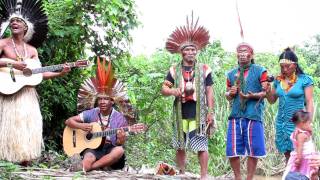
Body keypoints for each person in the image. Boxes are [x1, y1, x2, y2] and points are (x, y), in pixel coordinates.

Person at [0, 0, 70, 164]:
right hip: (7, 91)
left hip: (27, 94)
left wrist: (59, 73)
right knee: (7, 128)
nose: (14, 23)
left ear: (26, 27)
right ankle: (5, 160)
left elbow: (38, 74)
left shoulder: (32, 50)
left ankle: (24, 160)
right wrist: (12, 63)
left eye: (18, 21)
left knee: (26, 127)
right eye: (12, 21)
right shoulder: (3, 44)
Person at [161, 13, 215, 180]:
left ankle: (204, 176)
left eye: (193, 49)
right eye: (187, 50)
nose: (191, 52)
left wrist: (210, 111)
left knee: (201, 145)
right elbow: (164, 88)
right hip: (180, 111)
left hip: (198, 112)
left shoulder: (204, 68)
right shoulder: (174, 70)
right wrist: (173, 91)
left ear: (196, 51)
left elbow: (209, 91)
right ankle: (182, 172)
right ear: (182, 53)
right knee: (180, 144)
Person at [65, 58, 130, 172]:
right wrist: (81, 126)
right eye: (100, 99)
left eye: (106, 99)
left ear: (112, 101)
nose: (102, 102)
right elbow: (69, 121)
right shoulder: (92, 112)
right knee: (88, 158)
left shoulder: (120, 118)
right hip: (93, 149)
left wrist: (121, 140)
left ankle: (93, 167)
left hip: (110, 149)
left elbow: (120, 143)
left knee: (119, 150)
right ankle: (89, 166)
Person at [225, 42, 268, 180]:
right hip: (236, 115)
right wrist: (230, 93)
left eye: (245, 51)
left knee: (253, 150)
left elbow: (265, 92)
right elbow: (227, 96)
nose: (242, 54)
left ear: (252, 54)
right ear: (236, 55)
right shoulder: (231, 74)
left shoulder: (260, 70)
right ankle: (238, 178)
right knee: (232, 149)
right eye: (240, 51)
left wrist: (252, 96)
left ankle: (249, 178)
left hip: (253, 114)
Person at [265, 48, 314, 162]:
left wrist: (308, 123)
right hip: (281, 123)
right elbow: (272, 100)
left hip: (298, 123)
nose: (284, 69)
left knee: (301, 154)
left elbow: (309, 101)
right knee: (288, 155)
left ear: (295, 65)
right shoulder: (278, 81)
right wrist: (267, 91)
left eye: (287, 66)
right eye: (282, 66)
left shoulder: (305, 80)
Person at [283, 110, 318, 180]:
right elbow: (300, 148)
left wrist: (309, 128)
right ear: (301, 124)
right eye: (308, 123)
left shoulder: (301, 131)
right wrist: (299, 159)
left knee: (308, 174)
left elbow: (310, 132)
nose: (310, 124)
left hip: (307, 157)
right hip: (303, 158)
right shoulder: (301, 135)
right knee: (304, 174)